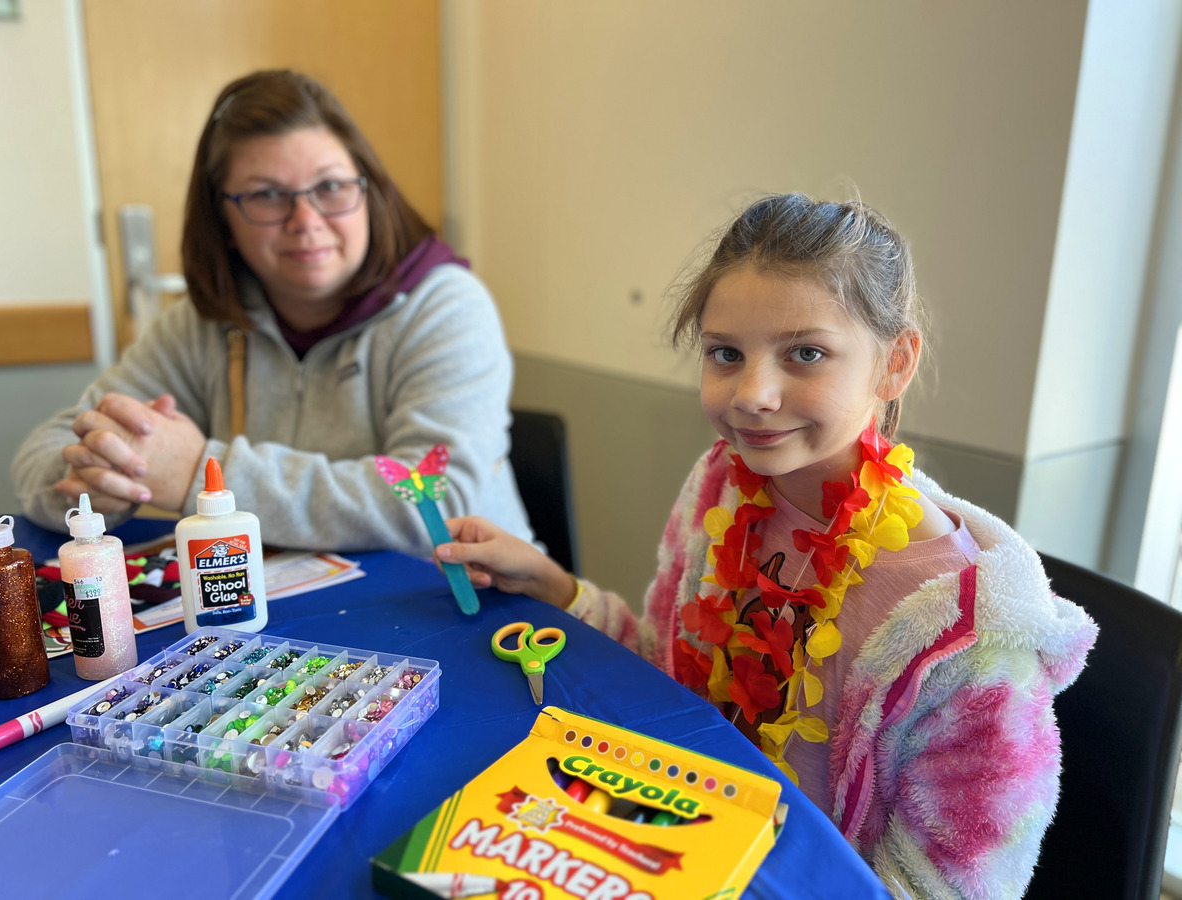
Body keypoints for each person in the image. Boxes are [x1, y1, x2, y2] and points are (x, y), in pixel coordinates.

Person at [434, 193, 1097, 898]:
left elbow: (956, 886)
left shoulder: (968, 633)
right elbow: (666, 675)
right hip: (669, 845)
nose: (752, 393)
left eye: (805, 353)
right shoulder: (720, 484)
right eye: (726, 354)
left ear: (895, 362)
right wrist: (557, 589)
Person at [12, 69, 532, 553]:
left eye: (329, 186)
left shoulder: (445, 306)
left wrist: (202, 471)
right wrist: (98, 484)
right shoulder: (200, 325)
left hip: (472, 608)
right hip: (297, 612)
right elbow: (50, 448)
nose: (305, 220)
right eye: (267, 195)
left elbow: (433, 502)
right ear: (224, 219)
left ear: (369, 192)